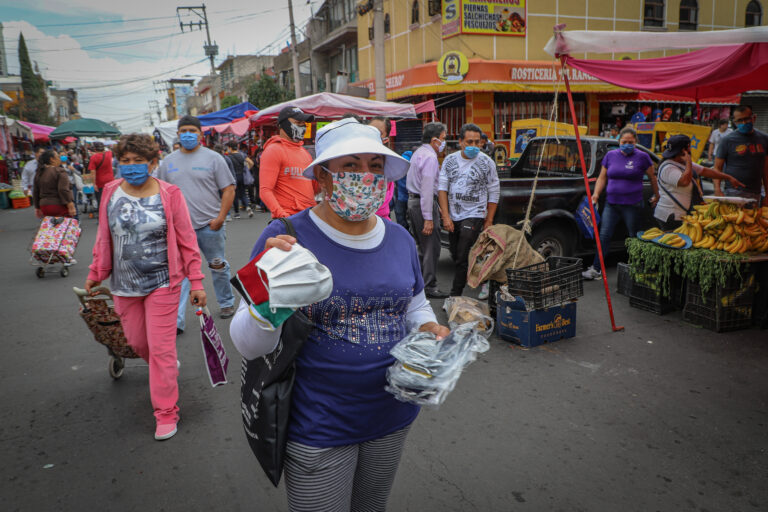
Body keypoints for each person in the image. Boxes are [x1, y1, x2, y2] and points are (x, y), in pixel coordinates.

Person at [230, 118, 448, 512]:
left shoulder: (399, 237)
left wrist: (430, 328)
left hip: (393, 415)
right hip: (319, 426)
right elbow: (248, 343)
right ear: (323, 178)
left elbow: (414, 304)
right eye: (350, 166)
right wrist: (270, 297)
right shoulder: (285, 239)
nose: (365, 177)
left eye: (375, 166)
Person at [84, 133, 206, 441]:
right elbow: (103, 235)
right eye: (125, 161)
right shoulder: (110, 191)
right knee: (139, 344)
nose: (131, 167)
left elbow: (187, 239)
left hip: (163, 283)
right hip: (124, 285)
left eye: (139, 161)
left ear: (153, 163)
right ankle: (164, 368)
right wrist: (96, 271)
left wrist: (197, 281)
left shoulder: (170, 194)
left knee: (162, 348)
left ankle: (166, 412)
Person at [156, 115, 236, 327]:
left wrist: (220, 218)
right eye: (184, 131)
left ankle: (226, 302)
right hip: (179, 230)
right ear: (178, 134)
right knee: (178, 275)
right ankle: (178, 321)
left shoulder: (214, 158)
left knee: (217, 266)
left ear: (201, 134)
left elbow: (228, 188)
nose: (188, 135)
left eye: (192, 130)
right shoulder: (168, 162)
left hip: (209, 225)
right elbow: (160, 194)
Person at [582, 126, 660, 280]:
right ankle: (596, 269)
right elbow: (602, 177)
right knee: (604, 236)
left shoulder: (643, 157)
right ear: (619, 141)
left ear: (636, 142)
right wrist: (596, 194)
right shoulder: (611, 156)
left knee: (633, 236)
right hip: (612, 204)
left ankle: (637, 267)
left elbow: (652, 177)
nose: (627, 144)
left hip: (633, 205)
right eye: (624, 141)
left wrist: (657, 195)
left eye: (631, 142)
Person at [438, 123, 500, 298]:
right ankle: (486, 278)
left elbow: (494, 191)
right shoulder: (450, 160)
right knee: (457, 252)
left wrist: (488, 220)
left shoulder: (487, 162)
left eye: (477, 142)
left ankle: (454, 295)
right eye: (469, 142)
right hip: (454, 214)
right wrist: (446, 216)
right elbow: (442, 188)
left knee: (462, 254)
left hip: (475, 213)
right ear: (460, 142)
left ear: (482, 143)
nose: (473, 146)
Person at [654, 134, 745, 230]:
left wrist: (728, 177)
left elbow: (705, 171)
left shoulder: (681, 163)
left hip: (680, 214)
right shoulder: (668, 167)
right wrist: (689, 161)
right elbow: (684, 181)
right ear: (684, 150)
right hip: (670, 215)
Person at [407, 122, 448, 299]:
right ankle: (429, 286)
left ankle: (420, 285)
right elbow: (426, 188)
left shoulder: (418, 153)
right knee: (431, 248)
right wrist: (428, 218)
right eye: (444, 139)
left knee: (422, 248)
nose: (444, 143)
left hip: (414, 202)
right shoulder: (430, 157)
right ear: (435, 140)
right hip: (422, 204)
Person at [259, 106, 317, 219]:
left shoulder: (304, 152)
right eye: (298, 122)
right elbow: (265, 191)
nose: (303, 126)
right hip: (289, 219)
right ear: (284, 124)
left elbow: (313, 188)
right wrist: (282, 215)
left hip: (309, 216)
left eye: (304, 123)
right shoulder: (273, 150)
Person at [713, 105, 768, 205]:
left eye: (747, 119)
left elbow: (766, 169)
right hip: (733, 192)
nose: (744, 123)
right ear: (734, 122)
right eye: (739, 120)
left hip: (756, 193)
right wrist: (717, 189)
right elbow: (717, 167)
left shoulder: (764, 139)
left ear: (754, 118)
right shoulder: (727, 140)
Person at [33, 149, 77, 218]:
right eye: (58, 157)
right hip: (58, 204)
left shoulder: (39, 172)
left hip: (44, 206)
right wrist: (70, 205)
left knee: (52, 227)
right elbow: (63, 189)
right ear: (52, 159)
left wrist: (37, 207)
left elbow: (36, 191)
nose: (60, 159)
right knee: (65, 226)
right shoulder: (59, 171)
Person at [368, 116, 396, 220]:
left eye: (378, 133)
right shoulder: (355, 155)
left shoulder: (387, 162)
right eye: (370, 130)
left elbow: (384, 198)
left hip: (378, 218)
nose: (372, 135)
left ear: (385, 139)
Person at [226, 141, 253, 218]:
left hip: (233, 177)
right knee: (243, 192)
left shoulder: (229, 157)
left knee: (235, 195)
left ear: (230, 148)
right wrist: (247, 169)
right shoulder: (242, 154)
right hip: (242, 176)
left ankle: (237, 213)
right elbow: (251, 163)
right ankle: (248, 207)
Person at [88, 141, 115, 210]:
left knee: (101, 202)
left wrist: (94, 184)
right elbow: (107, 151)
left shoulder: (93, 158)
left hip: (100, 183)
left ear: (95, 149)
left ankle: (102, 218)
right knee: (110, 200)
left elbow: (92, 172)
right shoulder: (109, 154)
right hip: (110, 181)